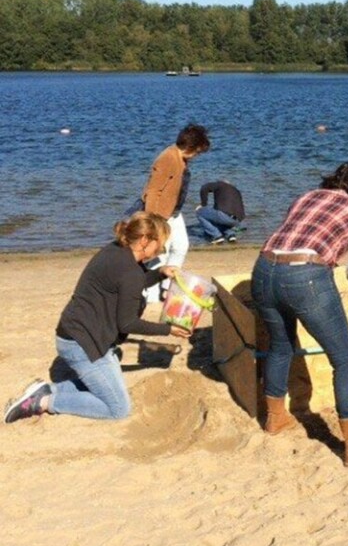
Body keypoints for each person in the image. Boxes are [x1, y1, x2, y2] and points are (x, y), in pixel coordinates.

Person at [250, 162, 348, 467]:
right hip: (304, 276)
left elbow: (295, 237)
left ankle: (275, 418)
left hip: (263, 269)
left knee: (280, 346)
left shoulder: (306, 196)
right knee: (345, 360)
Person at [4, 212, 191, 423]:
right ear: (145, 240)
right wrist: (168, 330)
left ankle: (46, 389)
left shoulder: (117, 250)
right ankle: (41, 403)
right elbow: (127, 322)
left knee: (109, 388)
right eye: (161, 245)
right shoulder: (130, 271)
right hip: (81, 343)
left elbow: (129, 284)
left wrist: (160, 273)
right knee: (118, 408)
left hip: (78, 331)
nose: (161, 250)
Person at [141, 123, 210, 300]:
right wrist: (153, 221)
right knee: (161, 252)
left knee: (180, 246)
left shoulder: (181, 159)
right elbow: (153, 190)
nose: (197, 155)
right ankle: (152, 293)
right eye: (198, 151)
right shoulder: (167, 158)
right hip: (160, 215)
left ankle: (167, 285)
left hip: (174, 212)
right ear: (190, 146)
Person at [195, 179, 245, 244]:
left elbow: (204, 187)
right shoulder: (236, 191)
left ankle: (217, 236)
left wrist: (203, 204)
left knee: (200, 212)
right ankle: (231, 235)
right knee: (222, 220)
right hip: (237, 220)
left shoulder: (219, 184)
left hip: (224, 216)